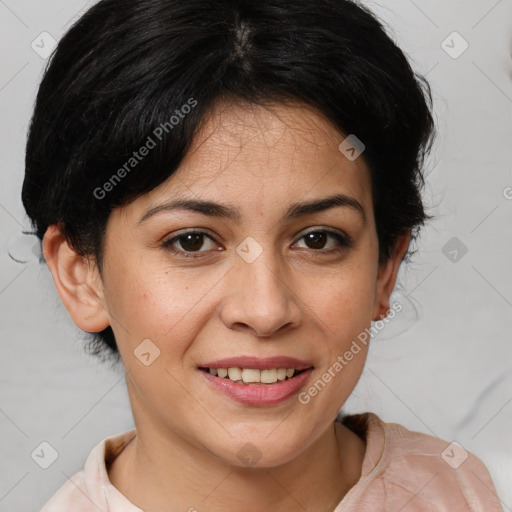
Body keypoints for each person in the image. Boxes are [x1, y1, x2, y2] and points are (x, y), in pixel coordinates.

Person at [22, 0, 502, 510]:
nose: (265, 310)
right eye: (191, 241)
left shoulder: (468, 492)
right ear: (82, 276)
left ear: (385, 269)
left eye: (317, 240)